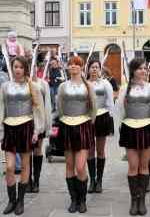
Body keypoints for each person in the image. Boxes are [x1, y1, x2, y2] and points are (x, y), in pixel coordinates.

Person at [114, 58, 150, 216]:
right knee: (133, 166)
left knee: (144, 166)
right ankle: (134, 200)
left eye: (145, 68)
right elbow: (119, 110)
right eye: (140, 68)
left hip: (147, 128)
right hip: (130, 129)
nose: (143, 71)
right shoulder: (125, 88)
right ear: (133, 70)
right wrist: (120, 128)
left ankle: (142, 200)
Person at [0, 56, 45, 215]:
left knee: (25, 165)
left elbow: (38, 111)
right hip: (10, 128)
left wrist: (36, 131)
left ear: (25, 69)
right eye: (15, 67)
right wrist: (1, 130)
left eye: (20, 67)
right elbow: (1, 108)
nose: (17, 69)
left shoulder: (32, 87)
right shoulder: (5, 87)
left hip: (26, 127)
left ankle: (20, 201)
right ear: (12, 69)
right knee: (10, 167)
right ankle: (11, 201)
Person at [57, 56, 96, 213]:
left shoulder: (88, 86)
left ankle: (82, 199)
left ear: (81, 67)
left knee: (80, 167)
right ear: (68, 67)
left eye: (77, 64)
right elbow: (59, 107)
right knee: (69, 165)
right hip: (67, 126)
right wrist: (65, 120)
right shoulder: (62, 86)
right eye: (71, 64)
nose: (73, 66)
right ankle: (74, 199)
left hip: (83, 127)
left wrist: (87, 124)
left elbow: (93, 109)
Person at [87, 60, 114, 194]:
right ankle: (92, 180)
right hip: (87, 119)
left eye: (97, 67)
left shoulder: (106, 84)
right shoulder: (85, 84)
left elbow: (110, 103)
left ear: (100, 70)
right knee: (90, 151)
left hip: (102, 118)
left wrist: (111, 120)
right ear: (88, 69)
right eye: (92, 67)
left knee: (100, 150)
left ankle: (100, 181)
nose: (94, 70)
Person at [27, 70, 51, 193]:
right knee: (26, 152)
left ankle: (36, 181)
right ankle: (28, 181)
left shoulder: (43, 84)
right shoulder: (23, 83)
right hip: (25, 121)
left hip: (39, 121)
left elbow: (47, 105)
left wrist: (47, 124)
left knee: (37, 150)